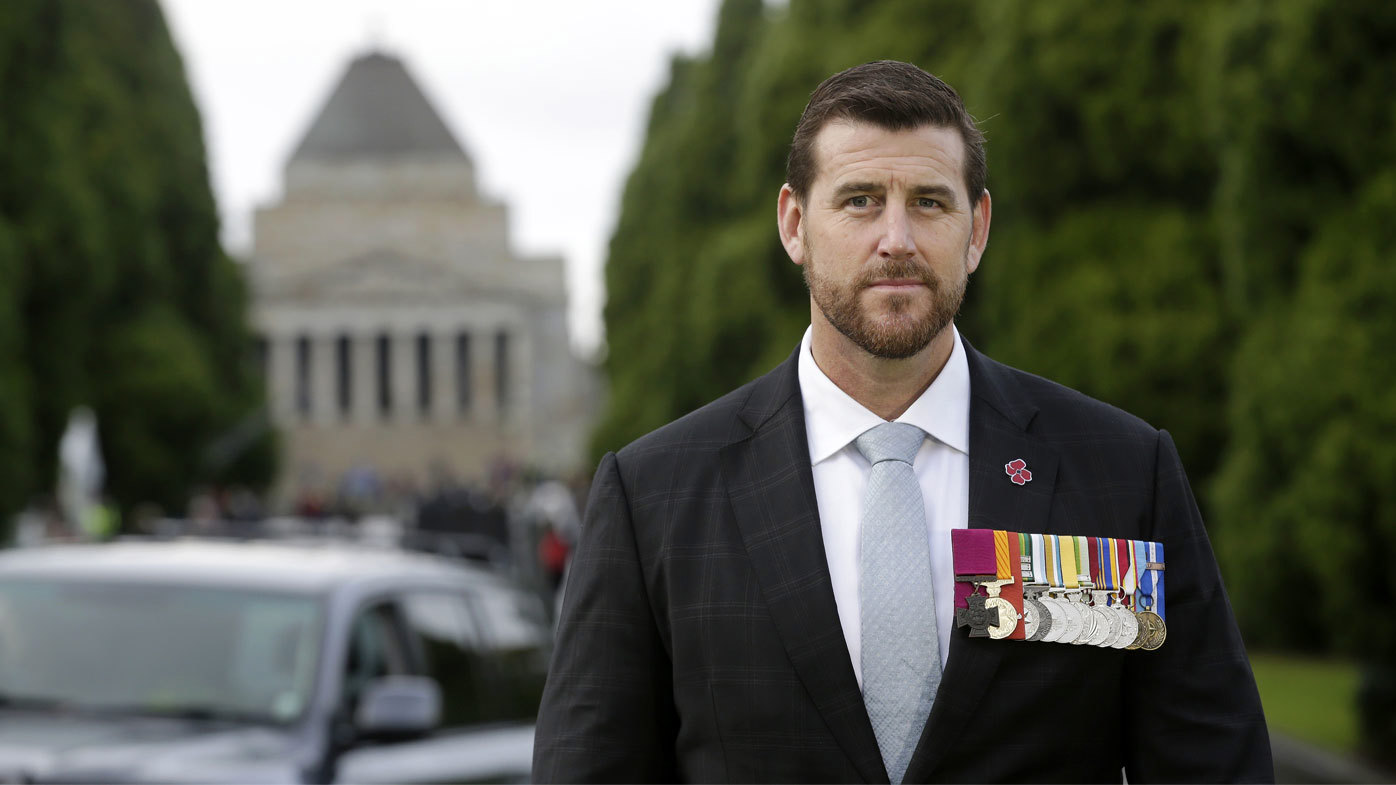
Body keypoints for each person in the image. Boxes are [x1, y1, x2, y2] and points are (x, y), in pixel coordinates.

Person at [533, 61, 1272, 783]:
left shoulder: (1117, 473)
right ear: (795, 224)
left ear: (976, 228)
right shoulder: (656, 496)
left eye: (929, 201)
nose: (897, 239)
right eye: (859, 200)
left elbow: (1210, 762)